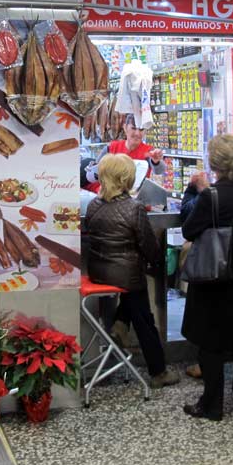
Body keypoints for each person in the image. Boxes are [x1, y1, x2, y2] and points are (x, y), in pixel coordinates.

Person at [180, 134, 233, 421]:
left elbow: (189, 230)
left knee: (211, 344)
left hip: (214, 278)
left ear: (215, 163)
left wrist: (195, 192)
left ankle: (212, 404)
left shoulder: (211, 196)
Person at [82, 154, 179, 389]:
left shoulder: (94, 203)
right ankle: (158, 371)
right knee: (144, 317)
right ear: (128, 178)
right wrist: (156, 262)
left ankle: (120, 322)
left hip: (98, 271)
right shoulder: (133, 208)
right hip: (125, 275)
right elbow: (150, 248)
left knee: (131, 281)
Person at [83, 114, 165, 193]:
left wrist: (156, 162)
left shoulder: (149, 151)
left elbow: (159, 171)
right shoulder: (111, 147)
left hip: (137, 200)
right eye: (133, 128)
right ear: (125, 128)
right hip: (111, 197)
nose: (137, 133)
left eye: (141, 129)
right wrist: (94, 170)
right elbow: (93, 174)